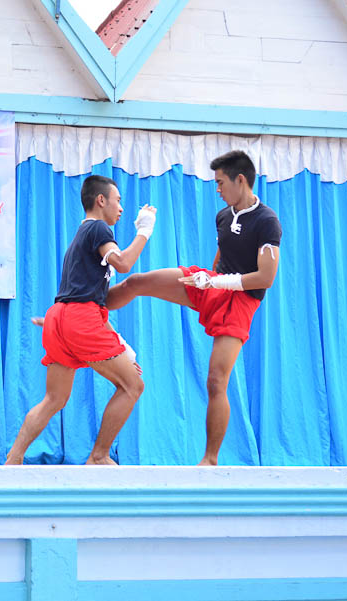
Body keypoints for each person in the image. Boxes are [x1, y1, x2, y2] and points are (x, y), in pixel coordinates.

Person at [106, 150, 281, 465]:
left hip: (240, 301)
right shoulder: (223, 216)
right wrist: (208, 279)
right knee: (136, 282)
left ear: (241, 180)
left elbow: (265, 278)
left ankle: (209, 461)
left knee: (216, 381)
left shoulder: (267, 221)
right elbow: (222, 254)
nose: (217, 189)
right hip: (211, 284)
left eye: (220, 182)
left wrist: (216, 282)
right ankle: (86, 308)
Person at [5, 175, 155, 465]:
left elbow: (90, 302)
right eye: (118, 200)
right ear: (101, 200)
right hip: (79, 319)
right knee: (133, 386)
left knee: (54, 399)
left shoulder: (80, 236)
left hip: (60, 317)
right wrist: (145, 231)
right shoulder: (98, 228)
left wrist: (124, 349)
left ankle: (14, 458)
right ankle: (99, 456)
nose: (121, 208)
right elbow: (123, 263)